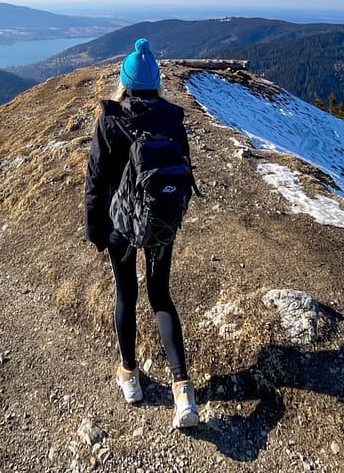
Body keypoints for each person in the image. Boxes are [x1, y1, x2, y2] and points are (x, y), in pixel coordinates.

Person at [84, 38, 199, 429]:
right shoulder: (173, 119)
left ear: (126, 82)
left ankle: (129, 376)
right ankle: (183, 391)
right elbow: (183, 172)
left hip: (121, 228)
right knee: (161, 296)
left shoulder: (111, 119)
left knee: (126, 295)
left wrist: (96, 231)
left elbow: (96, 181)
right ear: (156, 83)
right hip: (161, 226)